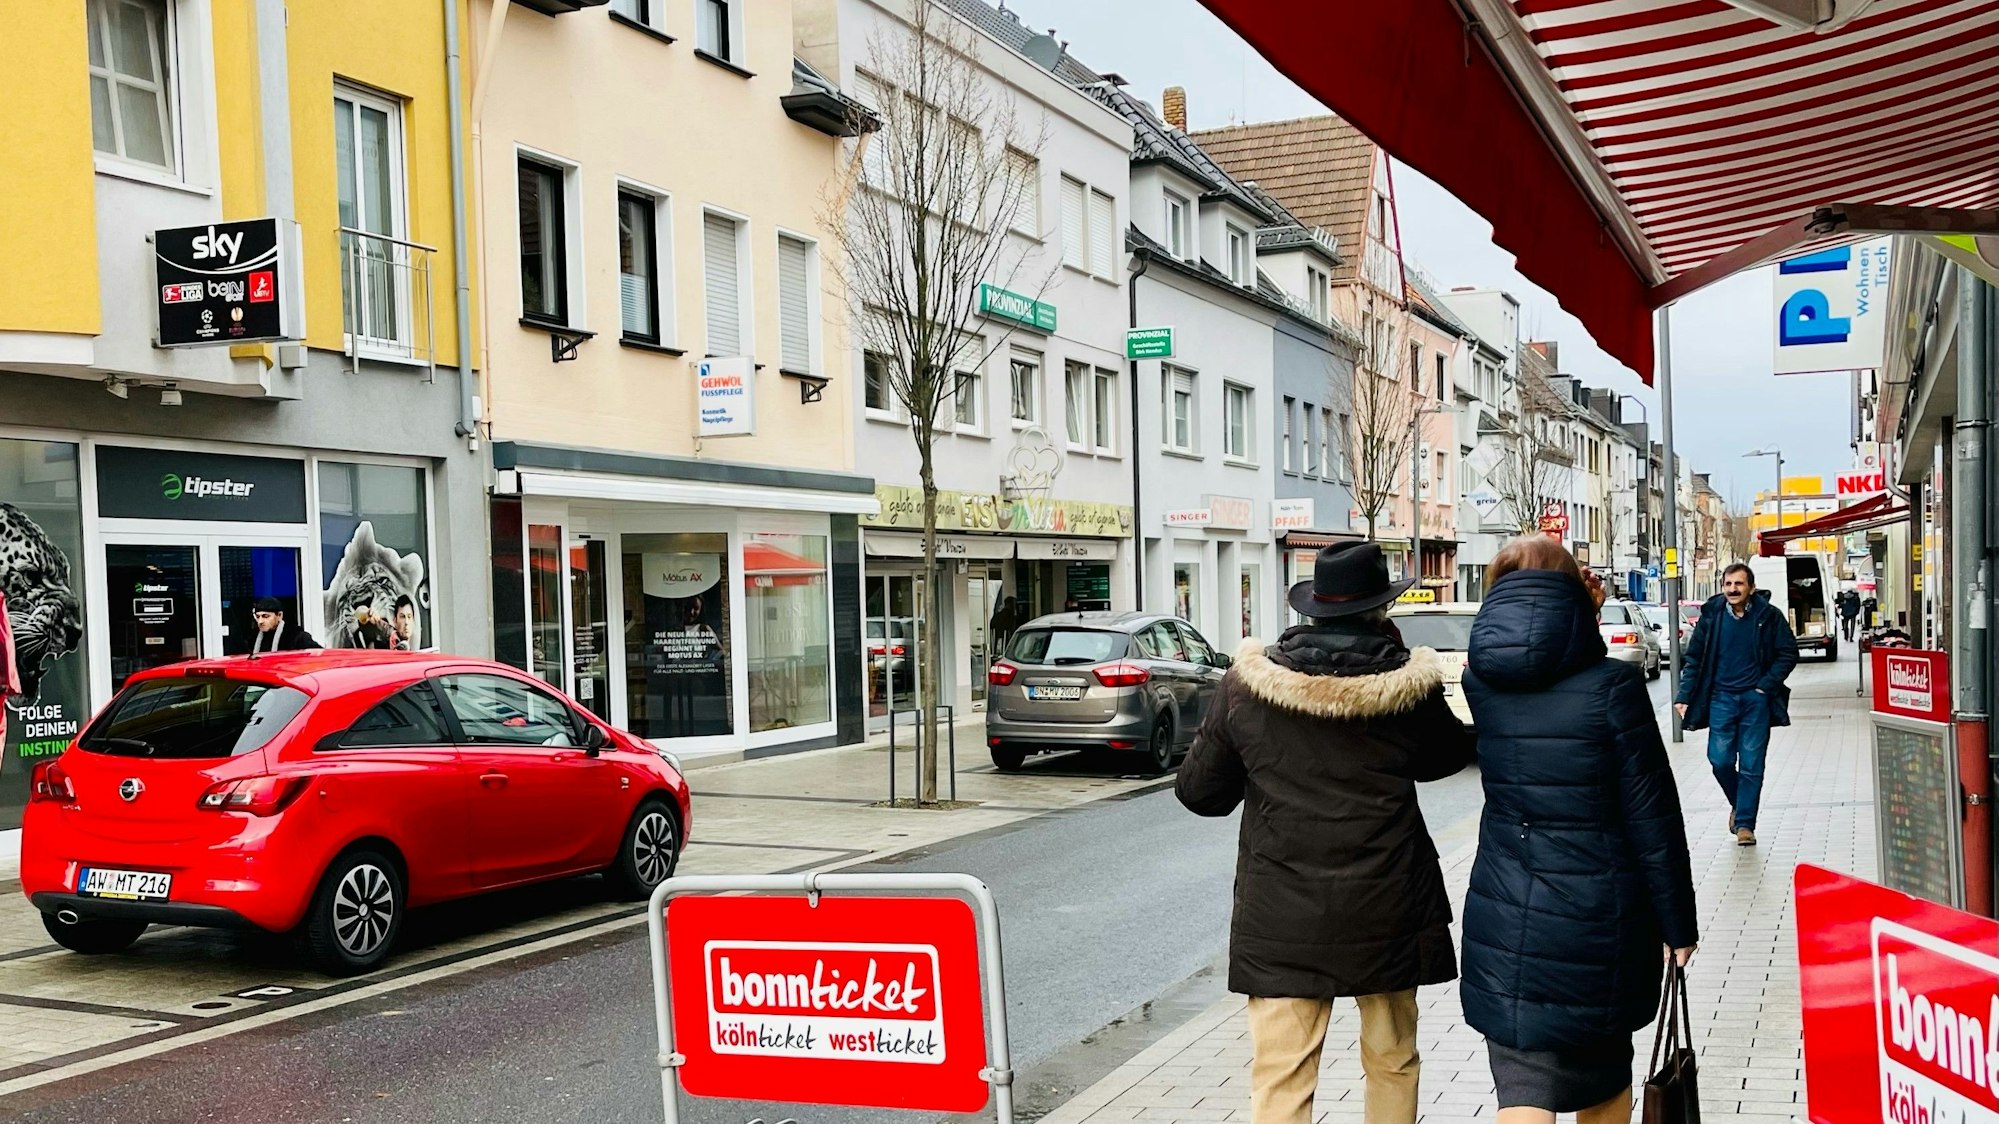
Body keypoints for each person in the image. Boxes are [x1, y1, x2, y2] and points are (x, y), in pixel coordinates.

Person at [1176, 541, 1475, 1124]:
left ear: (1312, 608)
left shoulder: (1247, 686)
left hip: (1282, 915)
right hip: (1388, 907)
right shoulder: (1406, 687)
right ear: (1380, 609)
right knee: (1393, 1061)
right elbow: (1444, 759)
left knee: (1283, 1076)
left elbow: (1200, 794)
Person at [1458, 536, 1698, 1124]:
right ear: (1572, 595)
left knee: (1522, 1086)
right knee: (1604, 1083)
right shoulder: (1614, 688)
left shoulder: (1480, 683)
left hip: (1506, 914)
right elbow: (1652, 816)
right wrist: (1678, 924)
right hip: (1598, 920)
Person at [1675, 561, 1799, 847]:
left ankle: (1745, 825)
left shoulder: (1769, 616)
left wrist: (1764, 686)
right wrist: (1683, 696)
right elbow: (1694, 659)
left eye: (1739, 584)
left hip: (1756, 702)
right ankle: (1740, 803)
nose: (1733, 589)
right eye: (1728, 584)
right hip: (1721, 699)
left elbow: (1788, 652)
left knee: (1752, 765)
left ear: (1751, 588)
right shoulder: (1712, 617)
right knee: (1720, 761)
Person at [249, 597, 320, 653]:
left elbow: (319, 656)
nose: (260, 621)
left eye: (266, 616)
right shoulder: (252, 639)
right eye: (258, 617)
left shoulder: (297, 637)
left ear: (279, 615)